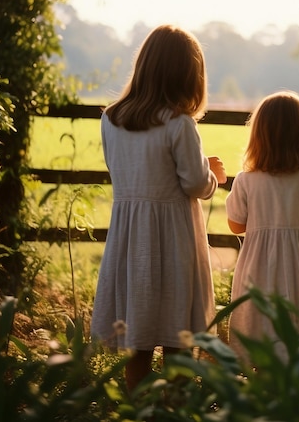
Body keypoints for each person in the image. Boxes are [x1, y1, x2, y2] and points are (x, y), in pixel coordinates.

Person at [90, 25, 226, 391]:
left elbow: (125, 170)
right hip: (173, 238)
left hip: (129, 236)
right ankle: (173, 408)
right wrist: (213, 173)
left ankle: (137, 407)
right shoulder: (178, 124)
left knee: (137, 334)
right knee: (177, 335)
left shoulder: (111, 119)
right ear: (188, 75)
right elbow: (195, 184)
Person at [226, 90, 299, 363]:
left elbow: (236, 225)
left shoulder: (246, 181)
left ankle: (263, 385)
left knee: (261, 324)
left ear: (258, 137)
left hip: (259, 268)